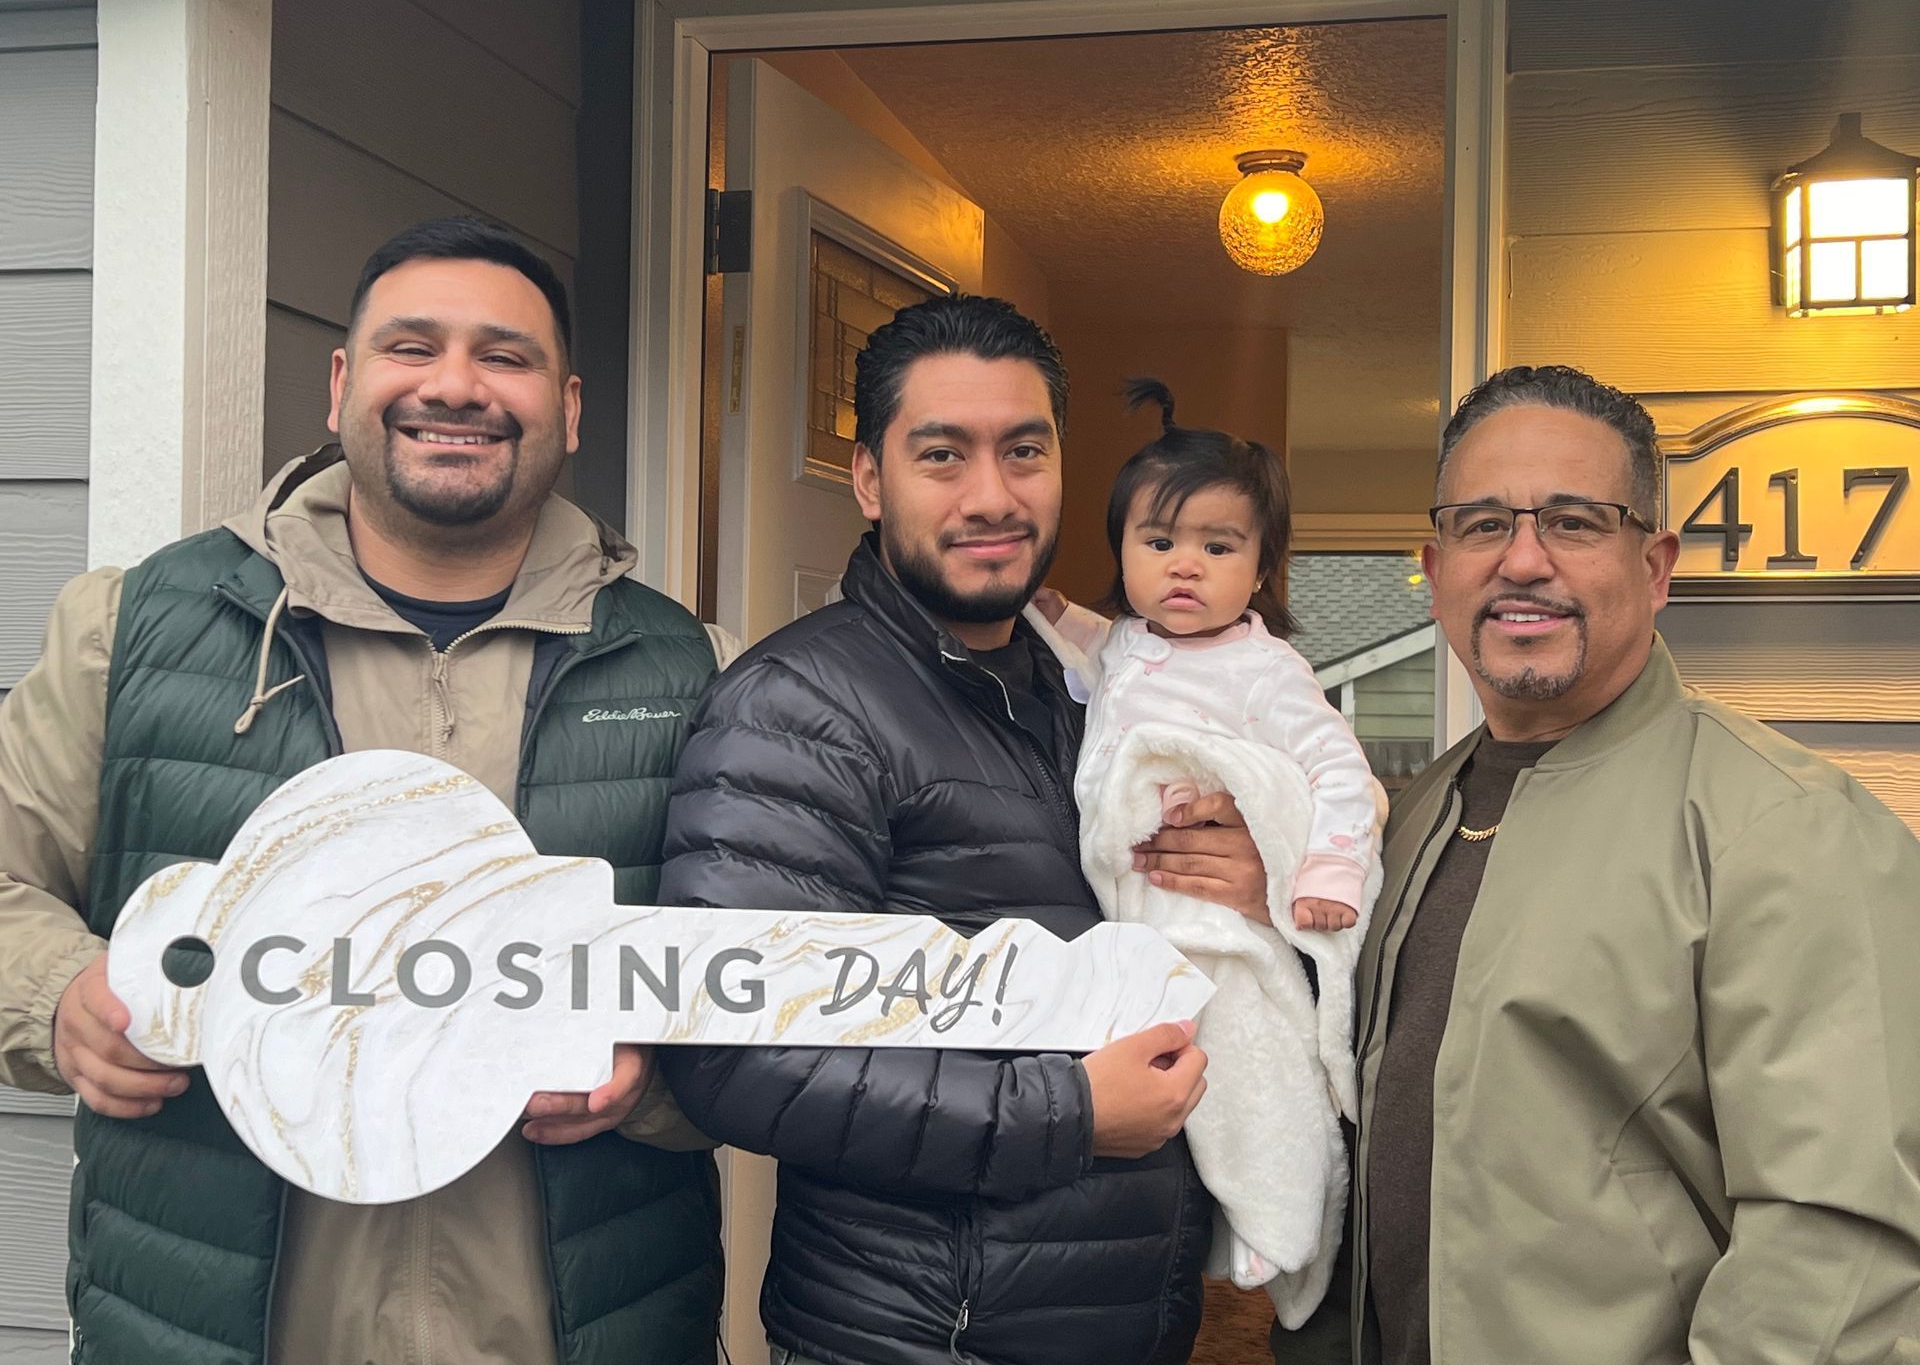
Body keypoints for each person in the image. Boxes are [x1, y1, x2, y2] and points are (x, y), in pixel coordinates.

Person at [0, 217, 724, 1365]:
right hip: (212, 1331)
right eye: (411, 346)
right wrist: (58, 996)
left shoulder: (694, 674)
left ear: (569, 407)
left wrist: (658, 1077)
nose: (455, 385)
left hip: (571, 1329)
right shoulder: (128, 631)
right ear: (342, 382)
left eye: (506, 355)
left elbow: (773, 975)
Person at [658, 295, 1278, 1365]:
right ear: (869, 477)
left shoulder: (1097, 692)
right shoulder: (802, 710)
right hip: (924, 1338)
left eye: (1024, 451)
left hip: (1122, 1320)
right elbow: (737, 1054)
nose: (992, 496)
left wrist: (1250, 879)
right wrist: (1069, 1112)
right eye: (942, 454)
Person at [1272, 364, 1920, 1364]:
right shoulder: (1406, 822)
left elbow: (1839, 1258)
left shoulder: (1790, 829)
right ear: (1435, 569)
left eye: (1573, 522)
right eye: (1484, 525)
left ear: (1656, 567)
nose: (1523, 560)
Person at [1028, 378, 1381, 1322]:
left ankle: (1281, 1206)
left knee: (1247, 1065)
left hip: (1217, 921)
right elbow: (1094, 660)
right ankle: (1235, 1213)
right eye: (1159, 544)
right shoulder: (1129, 647)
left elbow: (1338, 773)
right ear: (1126, 553)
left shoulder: (1266, 670)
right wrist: (1049, 614)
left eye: (1217, 547)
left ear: (1260, 566)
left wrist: (1327, 868)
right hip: (1131, 909)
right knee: (1153, 1083)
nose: (1186, 568)